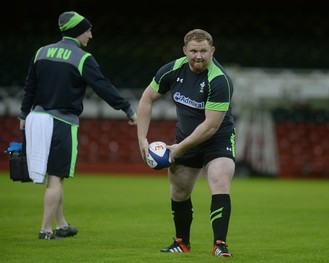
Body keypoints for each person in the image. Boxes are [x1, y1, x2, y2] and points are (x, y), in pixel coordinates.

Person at [18, 11, 137, 240]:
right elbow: (102, 86)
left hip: (35, 119)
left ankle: (61, 225)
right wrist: (126, 109)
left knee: (55, 176)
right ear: (77, 31)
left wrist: (23, 115)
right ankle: (45, 230)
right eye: (88, 30)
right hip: (62, 122)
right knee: (56, 178)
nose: (90, 35)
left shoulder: (41, 52)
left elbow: (29, 87)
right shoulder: (82, 58)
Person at [137, 29, 235, 257]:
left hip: (218, 139)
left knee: (219, 179)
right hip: (186, 137)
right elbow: (147, 98)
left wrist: (178, 149)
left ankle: (220, 244)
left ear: (212, 51)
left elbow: (211, 126)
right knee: (179, 189)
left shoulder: (219, 80)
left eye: (203, 51)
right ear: (185, 51)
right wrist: (142, 139)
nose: (198, 56)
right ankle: (182, 243)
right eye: (193, 51)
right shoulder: (172, 70)